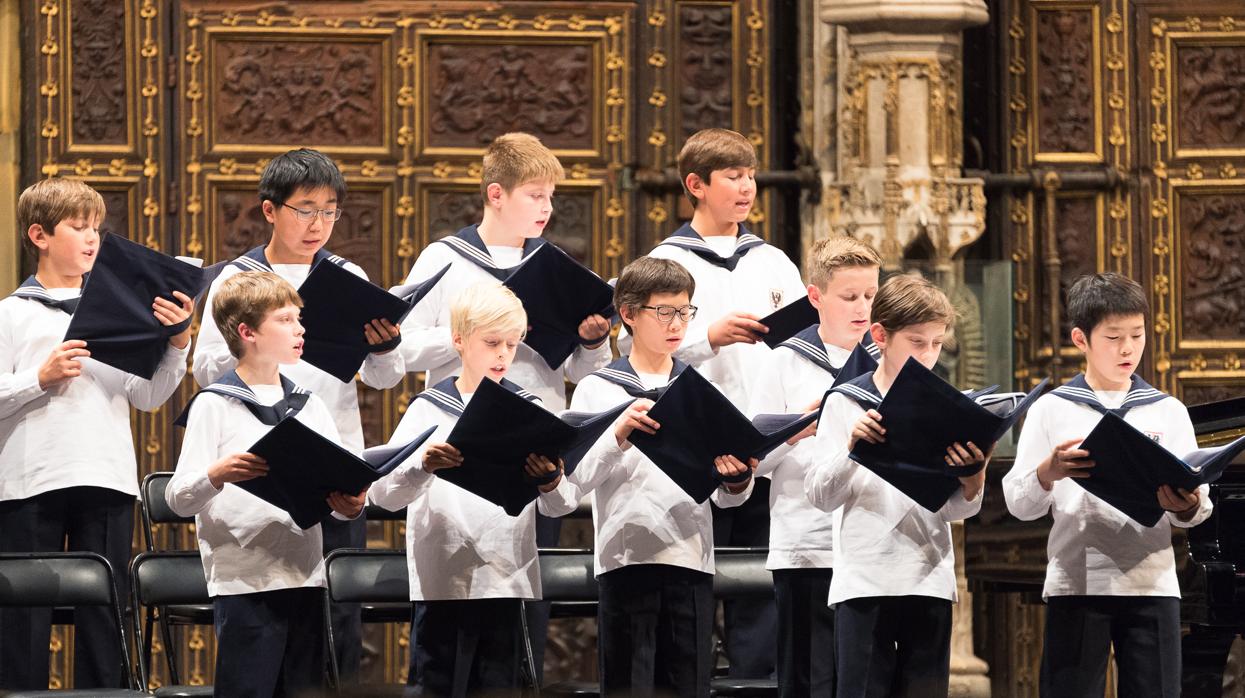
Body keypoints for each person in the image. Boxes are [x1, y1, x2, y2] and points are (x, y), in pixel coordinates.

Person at [191, 148, 404, 677]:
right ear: (270, 210)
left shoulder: (346, 273)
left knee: (337, 622)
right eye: (305, 209)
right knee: (264, 629)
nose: (318, 224)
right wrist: (261, 344)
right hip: (263, 469)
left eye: (330, 211)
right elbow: (204, 371)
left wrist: (383, 346)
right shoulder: (235, 279)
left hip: (333, 466)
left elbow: (385, 378)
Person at [0, 178, 193, 690]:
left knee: (108, 613)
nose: (91, 239)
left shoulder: (117, 311)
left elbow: (147, 396)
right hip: (29, 481)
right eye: (78, 227)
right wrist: (36, 379)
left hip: (105, 477)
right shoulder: (11, 313)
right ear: (39, 234)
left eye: (96, 229)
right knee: (24, 614)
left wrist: (176, 344)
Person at [633, 127, 806, 677]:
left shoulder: (773, 262)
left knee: (759, 591)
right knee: (691, 593)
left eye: (751, 175)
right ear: (696, 185)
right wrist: (708, 336)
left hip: (764, 445)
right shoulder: (666, 261)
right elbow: (630, 344)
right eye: (733, 176)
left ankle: (756, 683)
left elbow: (806, 343)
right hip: (694, 445)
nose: (747, 187)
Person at [542, 256, 757, 697]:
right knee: (629, 686)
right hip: (626, 559)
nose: (677, 324)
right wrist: (617, 436)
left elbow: (727, 499)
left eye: (685, 312)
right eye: (664, 312)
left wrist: (736, 480)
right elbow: (571, 486)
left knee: (690, 684)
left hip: (690, 558)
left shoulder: (699, 388)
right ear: (628, 314)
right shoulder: (599, 388)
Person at [1002, 272, 1210, 698]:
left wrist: (1186, 504)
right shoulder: (1051, 408)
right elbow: (1018, 503)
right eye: (1114, 337)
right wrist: (1048, 472)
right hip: (1077, 582)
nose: (1128, 348)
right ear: (1081, 339)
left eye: (1137, 334)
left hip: (1151, 583)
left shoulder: (1167, 411)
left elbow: (1198, 508)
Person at [368, 281, 577, 697]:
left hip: (507, 575)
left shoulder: (530, 410)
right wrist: (422, 466)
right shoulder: (428, 408)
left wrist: (549, 480)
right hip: (442, 579)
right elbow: (383, 496)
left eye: (513, 344)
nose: (503, 354)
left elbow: (560, 505)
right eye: (492, 342)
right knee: (437, 685)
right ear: (459, 340)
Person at [167, 271, 366, 697]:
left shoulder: (309, 405)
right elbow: (178, 498)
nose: (300, 329)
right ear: (247, 331)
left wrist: (349, 503)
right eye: (286, 320)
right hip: (245, 581)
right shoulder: (215, 403)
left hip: (305, 575)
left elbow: (334, 485)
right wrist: (216, 475)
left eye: (299, 319)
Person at [805, 273, 987, 697]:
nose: (928, 355)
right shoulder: (847, 401)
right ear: (881, 335)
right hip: (866, 580)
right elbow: (820, 495)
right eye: (917, 342)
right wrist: (853, 447)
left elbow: (956, 509)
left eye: (937, 343)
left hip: (928, 576)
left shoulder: (947, 406)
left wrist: (972, 477)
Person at [747, 236, 882, 697]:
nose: (861, 307)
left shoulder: (890, 365)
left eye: (869, 296)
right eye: (849, 297)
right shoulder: (784, 362)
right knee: (809, 678)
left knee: (865, 681)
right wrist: (798, 428)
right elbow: (754, 457)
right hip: (807, 544)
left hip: (873, 550)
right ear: (815, 297)